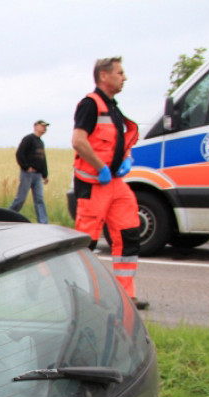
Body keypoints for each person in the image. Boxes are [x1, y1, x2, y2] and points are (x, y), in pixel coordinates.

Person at [72, 57, 147, 309]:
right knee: (86, 241)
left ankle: (127, 296)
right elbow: (78, 140)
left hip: (116, 183)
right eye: (120, 73)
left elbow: (117, 142)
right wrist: (101, 167)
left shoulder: (113, 107)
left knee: (128, 234)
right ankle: (81, 294)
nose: (124, 77)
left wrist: (125, 159)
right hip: (94, 184)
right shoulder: (90, 105)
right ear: (104, 76)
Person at [8, 120, 50, 223]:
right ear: (35, 126)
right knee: (21, 198)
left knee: (39, 199)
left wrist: (45, 175)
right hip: (27, 174)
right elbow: (19, 154)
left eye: (45, 127)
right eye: (42, 126)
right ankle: (7, 216)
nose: (44, 128)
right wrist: (26, 167)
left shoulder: (40, 142)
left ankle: (43, 223)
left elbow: (42, 159)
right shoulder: (28, 139)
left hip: (38, 174)